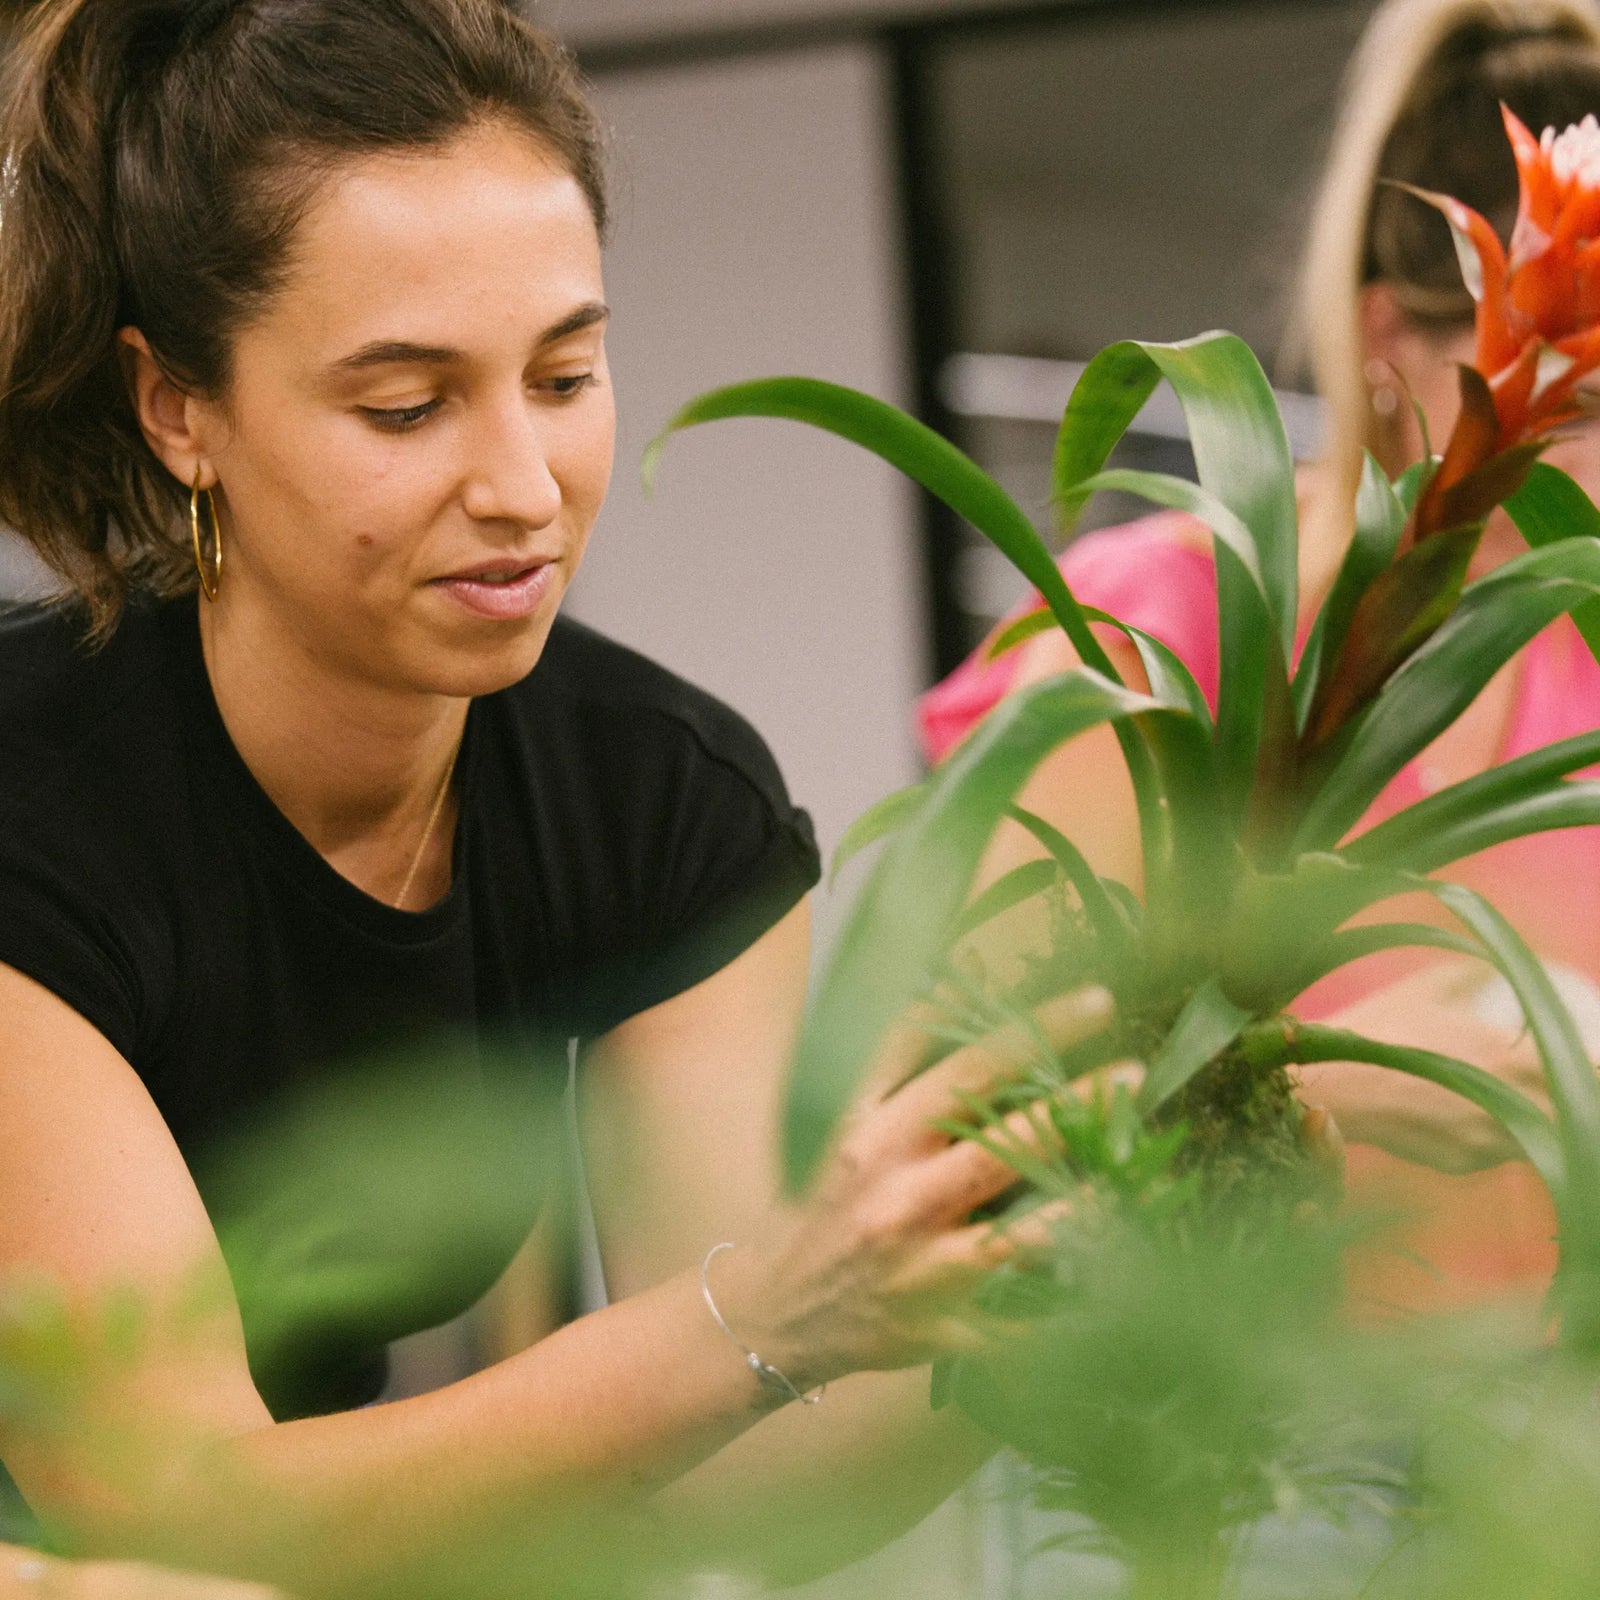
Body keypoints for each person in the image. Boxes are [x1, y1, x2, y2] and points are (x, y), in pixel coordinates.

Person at [0, 0, 1122, 1591]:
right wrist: (763, 1316)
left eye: (566, 374)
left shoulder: (662, 803)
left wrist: (1015, 1286)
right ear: (180, 406)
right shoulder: (34, 808)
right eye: (407, 406)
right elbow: (162, 1505)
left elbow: (736, 1469)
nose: (523, 487)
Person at [919, 0, 1600, 1314]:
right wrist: (1323, 1086)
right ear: (1399, 350)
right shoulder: (1152, 635)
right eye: (1589, 402)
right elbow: (974, 1123)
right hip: (1241, 1436)